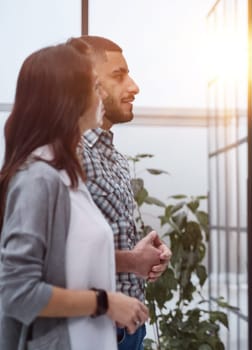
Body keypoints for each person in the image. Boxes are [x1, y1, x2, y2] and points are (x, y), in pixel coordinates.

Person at [0, 39, 148, 350]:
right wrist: (105, 302)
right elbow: (17, 292)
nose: (100, 96)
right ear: (68, 99)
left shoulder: (67, 173)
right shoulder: (39, 177)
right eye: (95, 87)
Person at [75, 35, 171, 350]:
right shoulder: (66, 157)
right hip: (91, 332)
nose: (134, 86)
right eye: (119, 75)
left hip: (130, 332)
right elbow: (54, 258)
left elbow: (110, 239)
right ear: (87, 84)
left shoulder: (116, 159)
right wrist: (132, 261)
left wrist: (148, 256)